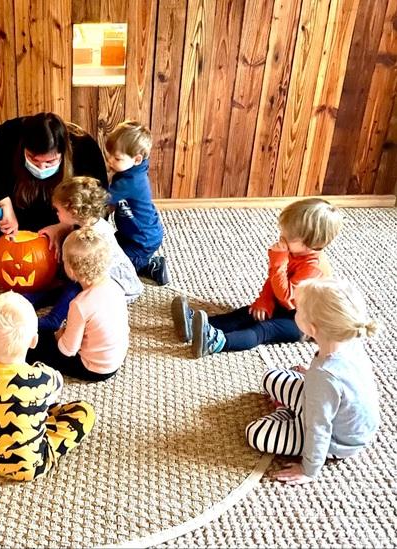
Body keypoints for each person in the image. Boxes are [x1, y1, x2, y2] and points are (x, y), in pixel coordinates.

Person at [246, 278, 380, 484]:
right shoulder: (349, 341)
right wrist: (310, 375)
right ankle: (291, 407)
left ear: (311, 328)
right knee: (269, 377)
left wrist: (308, 469)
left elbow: (319, 428)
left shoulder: (325, 377)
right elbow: (344, 384)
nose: (294, 313)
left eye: (298, 311)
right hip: (326, 401)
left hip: (337, 439)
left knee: (256, 434)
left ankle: (284, 412)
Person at [171, 198, 342, 358]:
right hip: (285, 307)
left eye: (287, 237)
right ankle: (194, 326)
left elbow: (286, 297)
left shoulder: (314, 268)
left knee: (262, 329)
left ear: (310, 243)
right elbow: (274, 283)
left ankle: (217, 342)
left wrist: (278, 262)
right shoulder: (294, 252)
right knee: (246, 314)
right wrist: (264, 300)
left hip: (304, 322)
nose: (281, 239)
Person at [0, 291, 96, 481]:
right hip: (33, 465)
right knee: (85, 412)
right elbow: (55, 393)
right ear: (34, 341)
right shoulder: (44, 376)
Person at [0, 112, 108, 252]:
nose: (41, 167)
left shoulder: (84, 147)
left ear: (64, 152)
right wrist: (3, 202)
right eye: (33, 159)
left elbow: (97, 203)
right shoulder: (12, 132)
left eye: (50, 162)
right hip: (18, 212)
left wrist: (66, 225)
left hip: (62, 217)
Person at [29, 176, 142, 332]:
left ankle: (54, 319)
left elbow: (88, 275)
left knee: (74, 283)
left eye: (58, 210)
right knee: (68, 281)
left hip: (115, 285)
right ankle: (35, 299)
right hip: (97, 274)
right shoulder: (90, 222)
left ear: (72, 211)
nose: (56, 214)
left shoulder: (91, 238)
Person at [27, 227, 129, 381]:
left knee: (34, 345)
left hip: (92, 368)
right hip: (114, 360)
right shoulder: (116, 287)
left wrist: (59, 335)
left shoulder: (80, 304)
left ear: (71, 270)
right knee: (47, 335)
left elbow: (68, 350)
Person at [105, 121, 168, 285]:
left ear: (137, 159)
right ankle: (146, 264)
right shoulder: (127, 170)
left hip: (141, 240)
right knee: (107, 250)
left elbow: (102, 198)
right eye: (109, 155)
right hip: (130, 233)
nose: (110, 161)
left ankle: (150, 267)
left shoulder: (131, 181)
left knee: (115, 269)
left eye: (117, 158)